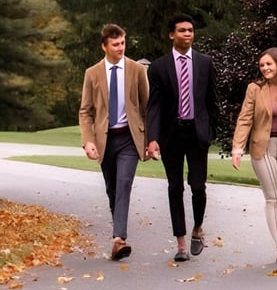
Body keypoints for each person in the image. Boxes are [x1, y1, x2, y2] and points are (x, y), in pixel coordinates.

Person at [147, 13, 220, 263]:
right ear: (171, 34)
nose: (187, 34)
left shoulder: (205, 63)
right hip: (171, 134)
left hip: (197, 133)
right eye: (182, 30)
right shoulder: (158, 67)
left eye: (190, 30)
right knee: (175, 187)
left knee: (197, 187)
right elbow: (154, 106)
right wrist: (152, 138)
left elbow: (213, 102)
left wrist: (211, 131)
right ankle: (180, 244)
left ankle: (198, 228)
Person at [78, 24, 150, 261]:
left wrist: (150, 140)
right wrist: (88, 141)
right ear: (104, 46)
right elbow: (85, 111)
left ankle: (119, 238)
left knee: (124, 183)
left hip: (129, 138)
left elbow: (147, 107)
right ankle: (118, 234)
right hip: (105, 140)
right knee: (112, 188)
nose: (121, 48)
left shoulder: (137, 70)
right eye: (116, 44)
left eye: (123, 43)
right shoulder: (93, 73)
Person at [231, 47, 277, 264]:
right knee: (272, 198)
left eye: (269, 64)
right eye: (262, 65)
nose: (265, 68)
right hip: (262, 148)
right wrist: (237, 147)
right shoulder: (255, 89)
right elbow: (245, 118)